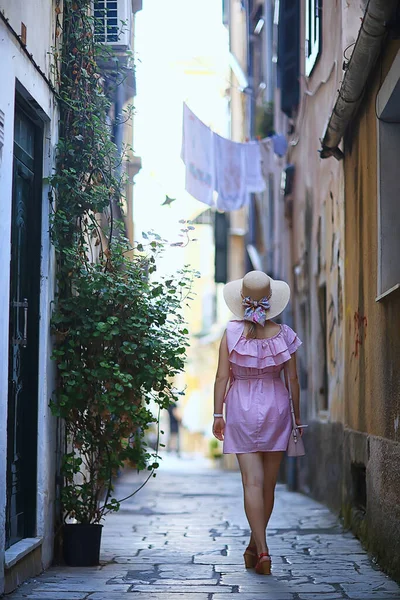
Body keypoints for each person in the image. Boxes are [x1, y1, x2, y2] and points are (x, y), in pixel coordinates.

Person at [212, 270, 304, 575]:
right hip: (277, 407)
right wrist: (297, 418)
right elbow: (292, 380)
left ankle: (260, 548)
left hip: (240, 406)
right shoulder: (284, 334)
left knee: (251, 482)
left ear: (241, 300)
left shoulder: (230, 333)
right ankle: (257, 547)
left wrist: (217, 414)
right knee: (267, 485)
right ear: (270, 301)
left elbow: (222, 377)